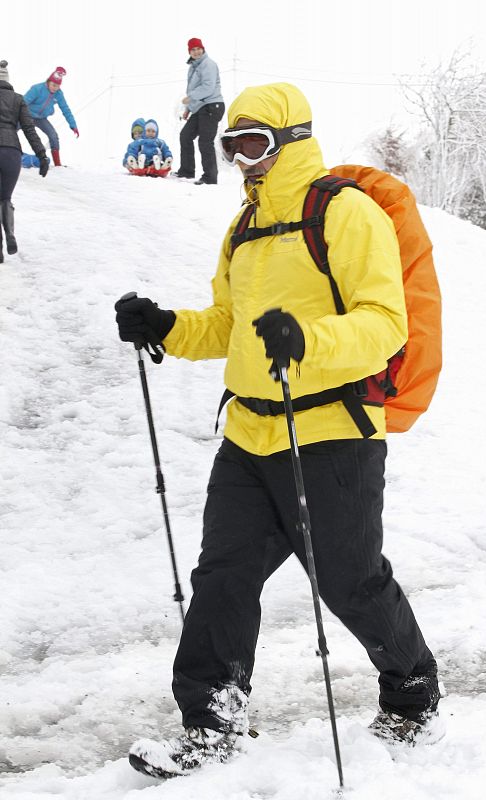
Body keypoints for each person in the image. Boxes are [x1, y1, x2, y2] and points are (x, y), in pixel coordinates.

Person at [115, 82, 441, 779]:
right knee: (223, 578)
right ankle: (211, 720)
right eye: (232, 145)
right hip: (250, 439)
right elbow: (229, 328)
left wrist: (308, 341)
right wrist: (166, 326)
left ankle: (413, 695)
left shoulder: (344, 214)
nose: (241, 159)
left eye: (253, 143)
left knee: (351, 580)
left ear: (291, 140)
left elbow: (385, 325)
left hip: (332, 433)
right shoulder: (245, 228)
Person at [0, 60, 49, 263]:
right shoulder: (18, 99)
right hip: (11, 152)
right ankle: (10, 234)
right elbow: (29, 129)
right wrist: (41, 155)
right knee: (4, 198)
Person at [174, 37, 224, 185]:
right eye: (192, 50)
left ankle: (210, 177)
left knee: (205, 141)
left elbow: (207, 88)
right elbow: (196, 89)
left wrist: (190, 99)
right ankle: (187, 171)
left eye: (198, 49)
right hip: (201, 107)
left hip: (212, 105)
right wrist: (188, 109)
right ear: (189, 52)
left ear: (203, 49)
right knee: (185, 136)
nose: (196, 52)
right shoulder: (194, 67)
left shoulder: (208, 64)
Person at [23, 67, 79, 167]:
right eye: (53, 85)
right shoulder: (37, 89)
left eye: (57, 86)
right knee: (10, 129)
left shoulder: (58, 94)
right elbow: (23, 102)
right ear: (48, 82)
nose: (55, 88)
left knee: (53, 136)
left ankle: (57, 164)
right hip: (27, 115)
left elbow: (65, 109)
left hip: (41, 119)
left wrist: (73, 125)